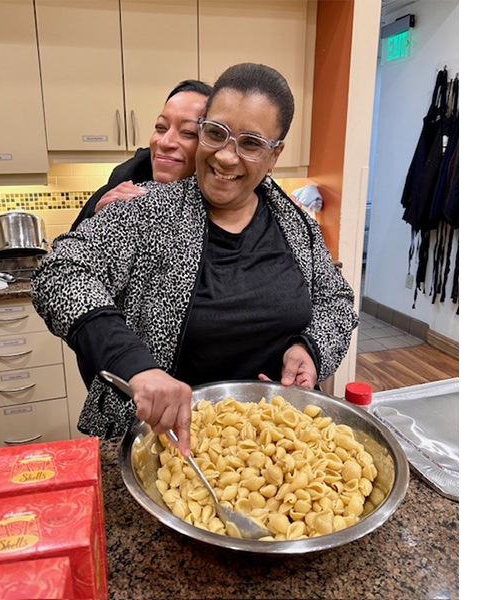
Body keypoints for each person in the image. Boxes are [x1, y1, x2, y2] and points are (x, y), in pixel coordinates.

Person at [33, 63, 357, 457]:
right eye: (215, 133)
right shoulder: (147, 212)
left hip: (280, 446)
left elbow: (335, 300)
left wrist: (310, 348)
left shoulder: (296, 227)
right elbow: (58, 274)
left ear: (275, 155)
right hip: (166, 445)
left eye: (251, 143)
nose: (225, 157)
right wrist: (135, 365)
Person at [69, 79, 213, 231]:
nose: (164, 142)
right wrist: (98, 220)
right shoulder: (122, 187)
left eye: (188, 132)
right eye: (161, 127)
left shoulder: (220, 206)